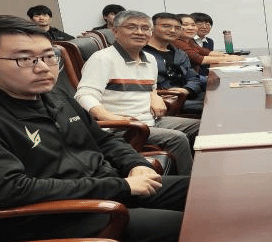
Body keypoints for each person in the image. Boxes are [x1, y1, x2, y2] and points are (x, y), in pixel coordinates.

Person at [0, 15, 187, 242]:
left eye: (49, 56)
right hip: (52, 217)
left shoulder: (53, 95)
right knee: (191, 226)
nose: (43, 68)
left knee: (201, 193)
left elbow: (103, 140)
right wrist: (120, 186)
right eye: (25, 59)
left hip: (102, 191)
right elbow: (9, 190)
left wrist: (136, 165)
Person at [75, 10, 200, 175]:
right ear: (115, 31)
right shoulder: (102, 59)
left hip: (150, 120)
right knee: (178, 138)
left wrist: (154, 96)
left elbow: (151, 87)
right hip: (123, 127)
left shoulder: (150, 59)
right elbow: (84, 94)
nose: (140, 32)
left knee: (201, 126)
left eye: (145, 28)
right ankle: (188, 182)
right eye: (132, 27)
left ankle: (202, 171)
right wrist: (109, 117)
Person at [143, 12, 205, 114]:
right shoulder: (141, 53)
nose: (172, 30)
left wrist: (186, 90)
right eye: (166, 26)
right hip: (160, 99)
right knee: (213, 105)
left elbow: (194, 78)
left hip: (184, 94)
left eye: (177, 28)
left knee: (219, 96)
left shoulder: (180, 54)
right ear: (152, 28)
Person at [174, 13, 242, 80]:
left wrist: (229, 56)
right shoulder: (177, 42)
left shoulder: (188, 41)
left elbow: (206, 52)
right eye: (185, 25)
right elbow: (199, 59)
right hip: (183, 80)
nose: (190, 28)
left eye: (193, 25)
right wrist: (229, 58)